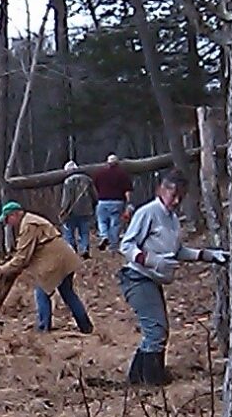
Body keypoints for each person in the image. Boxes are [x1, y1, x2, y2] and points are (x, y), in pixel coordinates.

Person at [116, 167, 222, 386]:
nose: (175, 201)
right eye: (173, 195)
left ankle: (138, 378)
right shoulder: (148, 212)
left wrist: (207, 255)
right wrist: (150, 260)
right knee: (156, 329)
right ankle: (151, 379)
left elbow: (176, 251)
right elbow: (126, 245)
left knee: (158, 329)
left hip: (153, 279)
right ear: (161, 190)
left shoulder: (172, 219)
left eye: (180, 197)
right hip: (137, 277)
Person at [0, 200, 91, 333]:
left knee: (41, 292)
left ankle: (42, 328)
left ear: (14, 215)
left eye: (7, 219)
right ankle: (86, 326)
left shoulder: (28, 225)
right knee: (68, 293)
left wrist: (3, 269)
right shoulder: (30, 220)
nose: (7, 224)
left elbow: (23, 257)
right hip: (65, 259)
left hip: (54, 262)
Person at [91, 154, 132, 250]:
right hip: (118, 202)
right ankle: (113, 245)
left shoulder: (100, 173)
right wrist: (128, 203)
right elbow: (127, 191)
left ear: (107, 163)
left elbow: (95, 187)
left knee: (102, 221)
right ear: (117, 163)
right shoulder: (123, 174)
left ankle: (104, 235)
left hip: (102, 201)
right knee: (115, 224)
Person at [58, 161, 95, 255]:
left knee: (69, 232)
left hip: (71, 211)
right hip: (86, 209)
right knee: (84, 232)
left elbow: (66, 198)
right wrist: (93, 205)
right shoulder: (87, 179)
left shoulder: (68, 181)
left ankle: (71, 249)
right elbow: (94, 194)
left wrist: (63, 209)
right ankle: (84, 248)